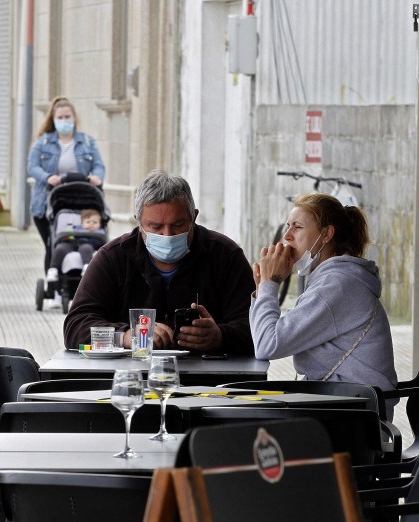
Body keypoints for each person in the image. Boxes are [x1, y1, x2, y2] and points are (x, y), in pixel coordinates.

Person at [63, 169, 255, 354]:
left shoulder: (225, 256)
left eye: (178, 225)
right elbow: (75, 327)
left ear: (194, 217)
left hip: (211, 381)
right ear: (138, 222)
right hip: (131, 377)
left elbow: (258, 329)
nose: (167, 235)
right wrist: (127, 336)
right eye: (156, 227)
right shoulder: (113, 258)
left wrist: (221, 337)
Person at [250, 193, 398, 414]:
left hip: (352, 415)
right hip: (340, 403)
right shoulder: (334, 278)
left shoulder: (337, 285)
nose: (286, 237)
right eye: (287, 226)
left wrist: (270, 286)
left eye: (297, 227)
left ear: (327, 234)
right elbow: (265, 339)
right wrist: (263, 288)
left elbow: (266, 345)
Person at [27, 97, 105, 289]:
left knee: (84, 242)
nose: (64, 120)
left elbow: (99, 166)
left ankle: (80, 284)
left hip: (80, 202)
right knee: (52, 243)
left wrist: (97, 177)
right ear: (53, 119)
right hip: (48, 202)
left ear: (74, 118)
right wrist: (47, 177)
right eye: (60, 117)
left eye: (67, 116)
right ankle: (53, 287)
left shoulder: (87, 142)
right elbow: (32, 166)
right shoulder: (43, 142)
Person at [45, 208, 105, 284]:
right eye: (88, 222)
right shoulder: (76, 228)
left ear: (100, 224)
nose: (91, 224)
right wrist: (66, 237)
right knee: (60, 248)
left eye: (95, 222)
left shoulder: (99, 232)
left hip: (87, 245)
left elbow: (100, 243)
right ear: (82, 224)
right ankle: (54, 268)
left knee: (86, 248)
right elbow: (67, 235)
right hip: (72, 244)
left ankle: (87, 266)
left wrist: (92, 235)